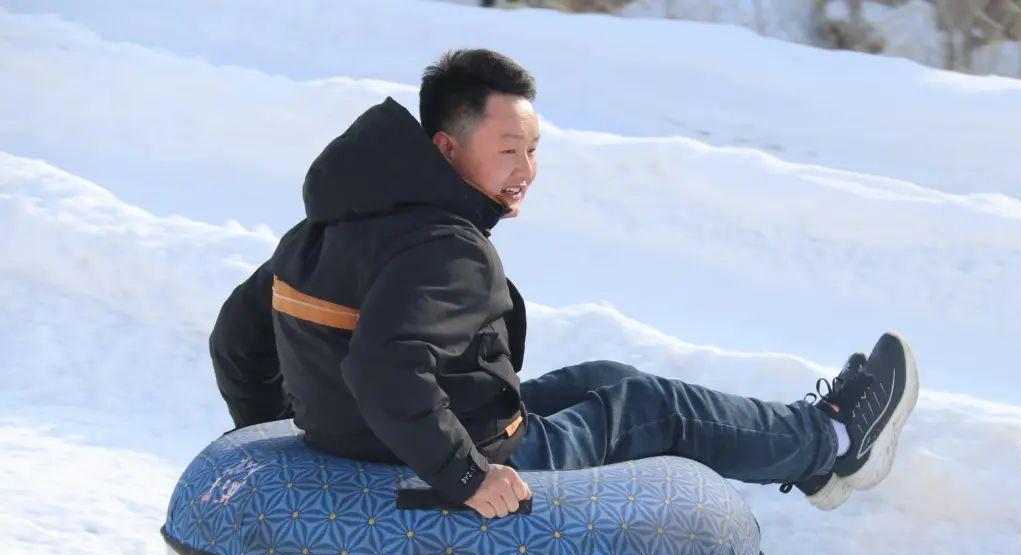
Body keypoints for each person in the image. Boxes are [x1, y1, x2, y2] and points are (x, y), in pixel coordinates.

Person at [210, 48, 919, 520]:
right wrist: (465, 477)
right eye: (508, 150)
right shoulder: (447, 251)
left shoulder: (327, 226)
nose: (526, 170)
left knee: (602, 376)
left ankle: (813, 449)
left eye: (535, 149)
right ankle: (830, 443)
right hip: (482, 452)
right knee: (650, 405)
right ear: (447, 149)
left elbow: (237, 339)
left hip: (379, 437)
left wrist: (285, 435)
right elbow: (384, 364)